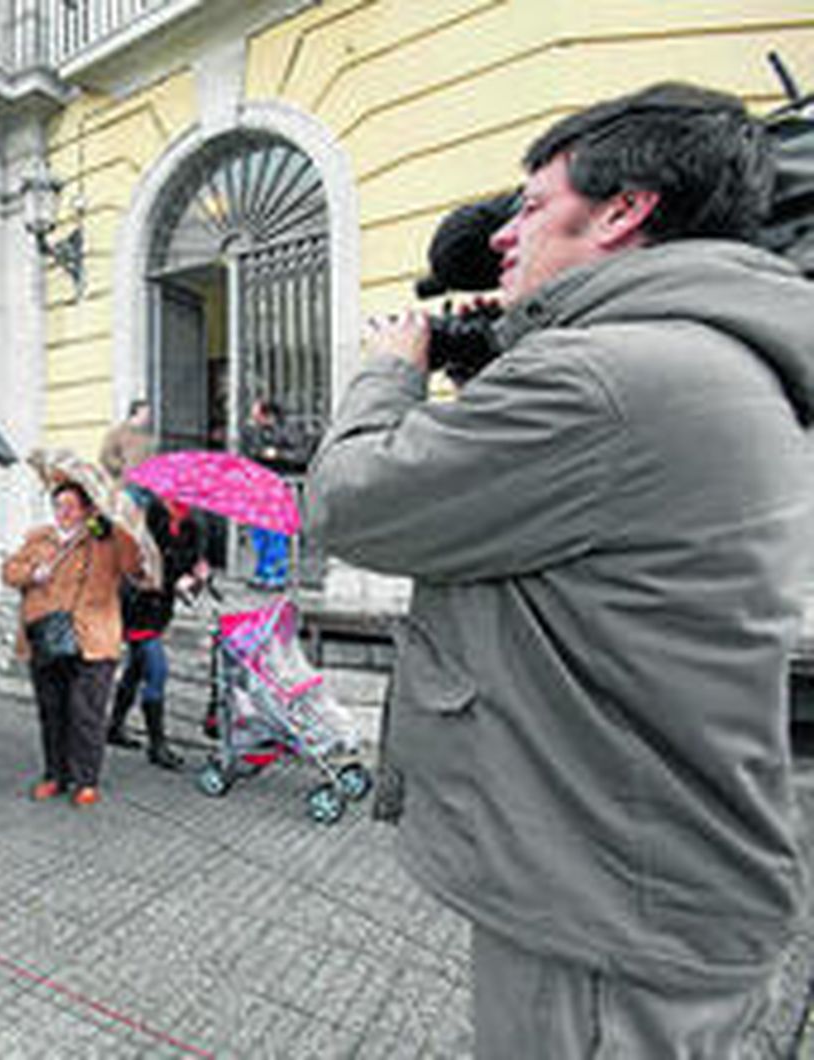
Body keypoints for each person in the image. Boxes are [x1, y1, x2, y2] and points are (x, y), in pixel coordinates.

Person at [309, 83, 814, 1057]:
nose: (505, 236)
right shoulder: (708, 356)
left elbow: (351, 503)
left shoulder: (604, 377)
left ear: (623, 210)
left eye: (532, 206)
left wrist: (390, 368)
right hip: (649, 878)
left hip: (602, 909)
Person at [4, 480, 143, 808]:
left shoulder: (107, 540)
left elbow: (134, 566)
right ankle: (55, 774)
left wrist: (116, 529)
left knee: (87, 714)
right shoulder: (39, 537)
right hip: (47, 637)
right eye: (59, 505)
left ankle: (86, 779)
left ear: (87, 509)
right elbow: (9, 571)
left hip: (92, 637)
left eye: (72, 506)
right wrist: (33, 572)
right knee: (52, 711)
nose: (64, 513)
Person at [106, 497, 208, 770]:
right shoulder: (144, 521)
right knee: (156, 670)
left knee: (136, 669)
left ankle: (114, 727)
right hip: (136, 605)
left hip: (161, 608)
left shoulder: (195, 526)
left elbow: (193, 567)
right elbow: (126, 558)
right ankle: (157, 745)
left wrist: (199, 576)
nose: (177, 500)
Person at [240, 399, 308, 589]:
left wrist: (277, 454)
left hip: (280, 483)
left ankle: (276, 575)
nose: (253, 418)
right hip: (259, 485)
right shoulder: (254, 432)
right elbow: (249, 453)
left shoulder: (288, 429)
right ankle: (262, 572)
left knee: (276, 531)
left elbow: (302, 455)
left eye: (256, 414)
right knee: (259, 531)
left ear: (267, 415)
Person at [98, 399, 154, 485]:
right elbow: (105, 456)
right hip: (124, 485)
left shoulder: (147, 436)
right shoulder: (118, 432)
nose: (149, 416)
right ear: (137, 413)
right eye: (146, 413)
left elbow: (150, 458)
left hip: (144, 484)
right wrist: (123, 468)